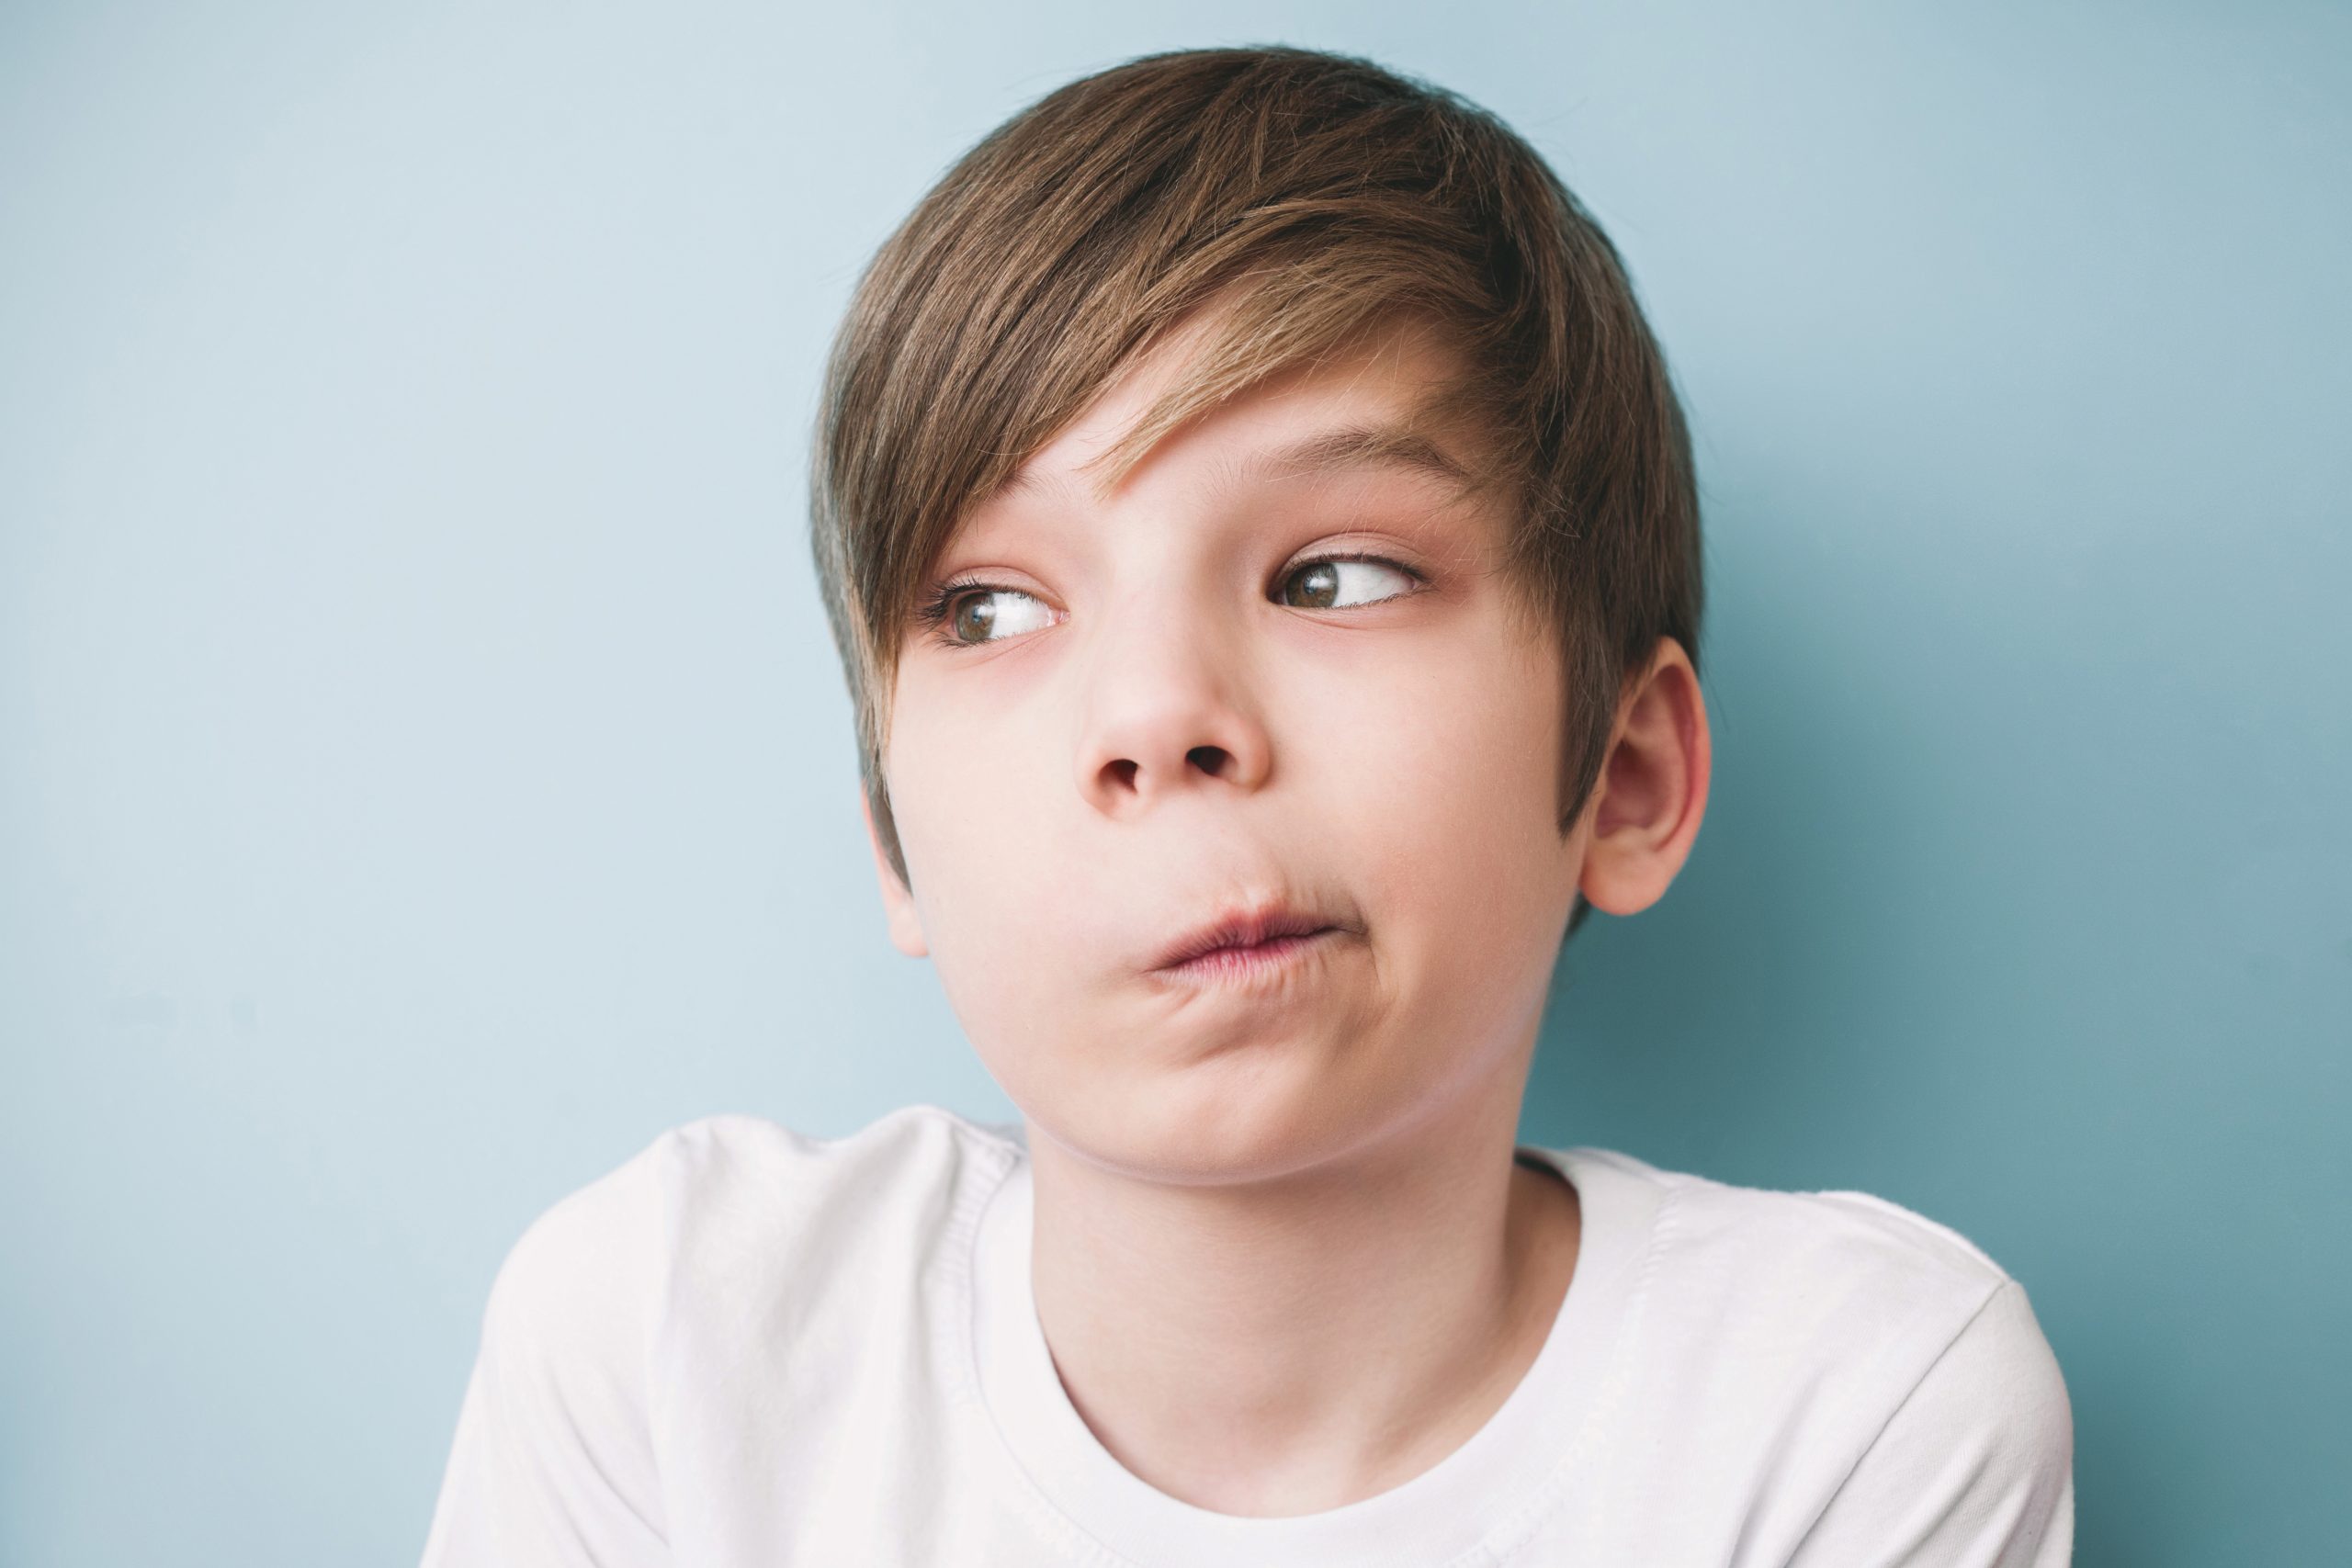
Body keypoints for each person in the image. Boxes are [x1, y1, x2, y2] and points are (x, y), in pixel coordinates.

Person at [420, 44, 2074, 1566]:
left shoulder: (1851, 1414)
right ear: (893, 843)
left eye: (1334, 576)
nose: (1157, 719)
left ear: (1627, 779)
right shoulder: (676, 1346)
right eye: (991, 608)